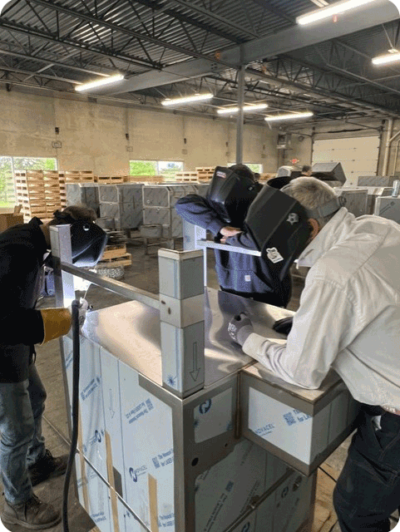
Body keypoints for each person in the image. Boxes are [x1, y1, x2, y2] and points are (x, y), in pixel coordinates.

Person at [228, 177, 400, 532]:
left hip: (395, 414)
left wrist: (247, 338)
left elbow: (302, 371)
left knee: (357, 511)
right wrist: (311, 323)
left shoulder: (333, 270)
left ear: (309, 226)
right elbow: (374, 300)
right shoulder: (377, 226)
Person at [0, 205, 102, 530]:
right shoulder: (20, 252)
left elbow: (18, 301)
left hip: (13, 342)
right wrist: (63, 319)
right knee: (15, 428)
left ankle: (36, 462)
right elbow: (6, 321)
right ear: (66, 237)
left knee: (36, 397)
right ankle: (17, 504)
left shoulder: (32, 242)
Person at [175, 164, 291, 307]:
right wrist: (220, 227)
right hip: (230, 282)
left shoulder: (263, 203)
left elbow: (263, 240)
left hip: (264, 288)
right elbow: (183, 204)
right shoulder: (218, 206)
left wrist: (231, 238)